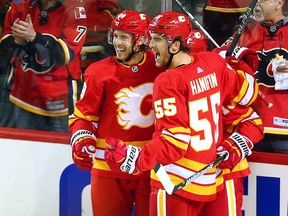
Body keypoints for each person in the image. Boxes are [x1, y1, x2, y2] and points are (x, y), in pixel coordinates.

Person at [104, 11, 258, 216]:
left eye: (157, 39)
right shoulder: (213, 63)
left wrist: (138, 158)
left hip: (175, 181)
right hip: (210, 179)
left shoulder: (168, 81)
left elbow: (175, 141)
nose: (150, 45)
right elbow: (248, 94)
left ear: (175, 45)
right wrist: (233, 66)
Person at [68, 10, 165, 216]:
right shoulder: (98, 72)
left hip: (148, 166)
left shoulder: (160, 66)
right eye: (116, 35)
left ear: (140, 40)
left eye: (125, 37)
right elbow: (83, 117)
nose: (117, 42)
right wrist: (81, 137)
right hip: (108, 167)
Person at [0, 0, 87, 132]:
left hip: (59, 99)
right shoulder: (21, 4)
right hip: (23, 96)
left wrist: (34, 37)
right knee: (22, 147)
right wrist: (17, 41)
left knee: (60, 149)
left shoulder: (75, 10)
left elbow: (63, 55)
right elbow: (4, 47)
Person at [223, 0, 288, 153]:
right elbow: (220, 58)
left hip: (283, 132)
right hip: (247, 126)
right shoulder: (245, 31)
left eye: (263, 0)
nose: (257, 3)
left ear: (279, 3)